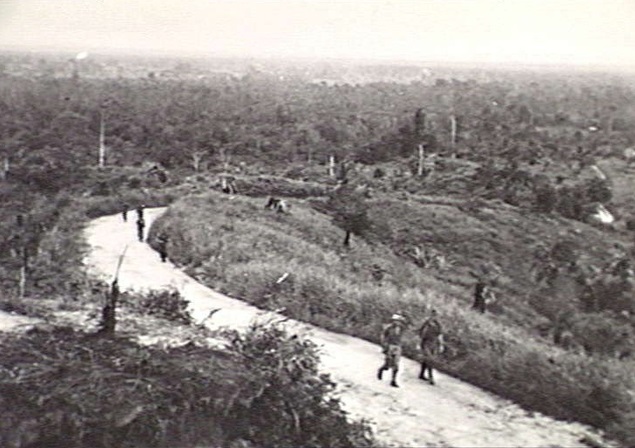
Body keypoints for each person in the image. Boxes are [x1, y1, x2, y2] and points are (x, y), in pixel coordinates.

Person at [377, 313, 407, 388]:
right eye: (396, 320)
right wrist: (384, 345)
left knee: (396, 365)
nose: (397, 322)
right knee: (388, 364)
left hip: (398, 346)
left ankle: (393, 380)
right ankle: (381, 370)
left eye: (399, 321)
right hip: (390, 346)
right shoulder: (389, 328)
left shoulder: (401, 328)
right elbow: (383, 336)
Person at [418, 309, 443, 385]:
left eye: (435, 315)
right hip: (426, 342)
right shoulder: (426, 322)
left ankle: (421, 374)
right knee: (430, 359)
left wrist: (441, 345)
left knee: (428, 359)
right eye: (432, 315)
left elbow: (440, 335)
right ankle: (431, 377)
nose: (434, 317)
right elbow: (420, 332)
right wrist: (419, 342)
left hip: (434, 343)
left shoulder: (438, 324)